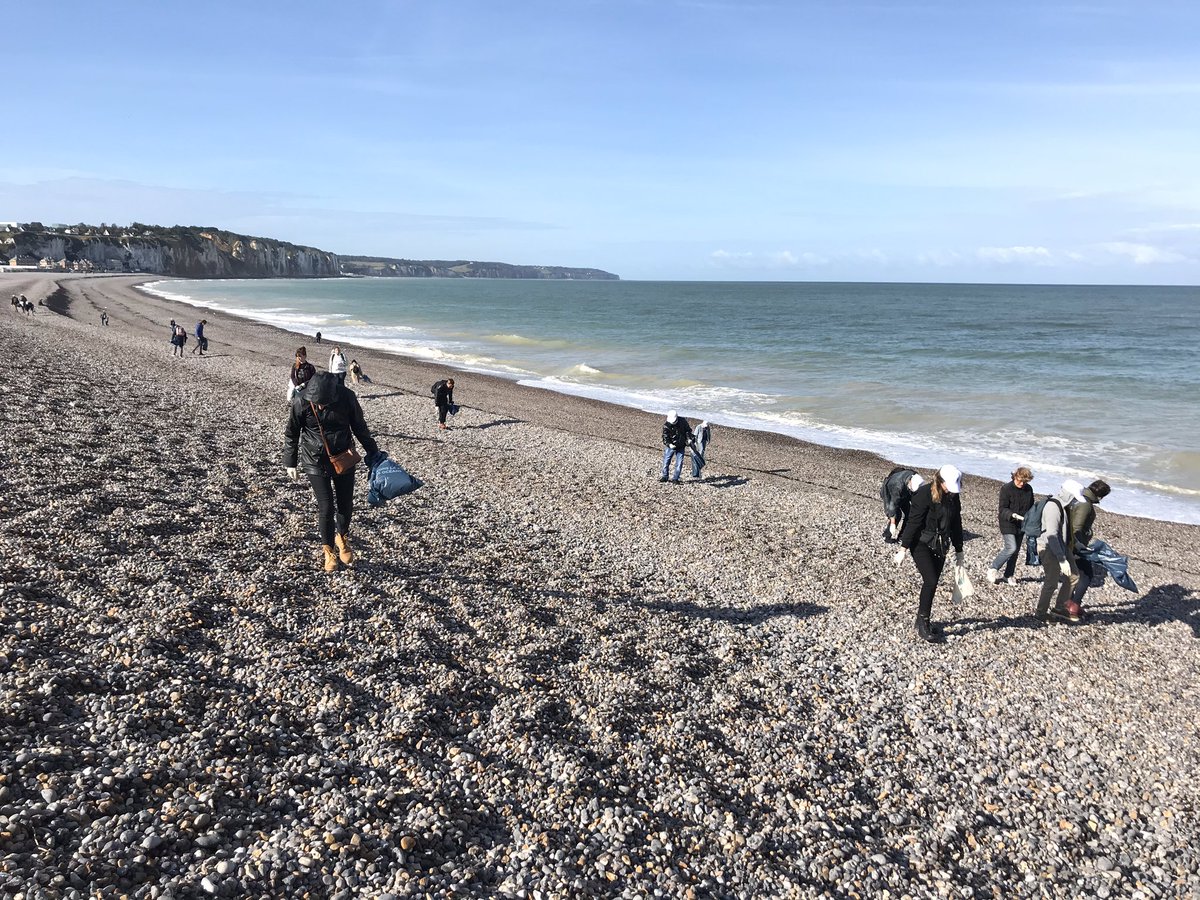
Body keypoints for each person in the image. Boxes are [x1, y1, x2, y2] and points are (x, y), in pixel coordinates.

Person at [284, 372, 379, 572]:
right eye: (316, 402)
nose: (319, 406)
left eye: (323, 403)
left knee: (346, 504)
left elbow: (360, 427)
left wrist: (374, 453)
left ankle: (342, 537)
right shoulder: (301, 401)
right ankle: (328, 551)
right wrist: (290, 462)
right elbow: (292, 433)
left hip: (343, 457)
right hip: (314, 461)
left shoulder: (347, 397)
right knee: (326, 508)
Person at [898, 464, 964, 643]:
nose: (950, 491)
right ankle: (924, 623)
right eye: (947, 487)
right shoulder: (924, 494)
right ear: (939, 481)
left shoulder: (953, 497)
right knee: (931, 580)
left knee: (932, 583)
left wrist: (959, 550)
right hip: (920, 544)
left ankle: (920, 619)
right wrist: (903, 549)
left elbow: (956, 523)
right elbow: (913, 522)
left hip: (940, 545)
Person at [1034, 479, 1087, 624]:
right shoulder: (1053, 507)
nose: (1075, 502)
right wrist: (1062, 559)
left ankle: (1059, 607)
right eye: (1074, 498)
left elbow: (1062, 533)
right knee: (1051, 582)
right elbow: (1051, 535)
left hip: (1062, 547)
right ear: (1068, 494)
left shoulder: (1064, 507)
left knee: (1074, 576)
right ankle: (1040, 612)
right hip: (1048, 548)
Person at [985, 466, 1035, 585]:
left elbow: (1031, 507)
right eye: (1019, 480)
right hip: (1008, 522)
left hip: (1022, 524)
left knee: (1016, 550)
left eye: (1024, 481)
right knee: (1011, 547)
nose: (1021, 483)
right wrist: (1012, 515)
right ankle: (993, 568)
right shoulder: (1006, 489)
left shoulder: (1029, 489)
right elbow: (1002, 509)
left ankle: (1008, 575)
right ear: (1015, 476)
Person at [1069, 479, 1112, 613]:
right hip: (1075, 545)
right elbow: (1076, 527)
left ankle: (1067, 602)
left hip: (1067, 542)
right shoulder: (1085, 504)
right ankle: (1074, 606)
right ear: (1100, 495)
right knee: (1086, 575)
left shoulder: (1077, 498)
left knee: (1072, 574)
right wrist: (1081, 548)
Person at [880, 467, 924, 543]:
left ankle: (902, 538)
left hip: (904, 493)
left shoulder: (915, 477)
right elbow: (892, 505)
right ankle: (887, 536)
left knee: (910, 514)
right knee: (897, 515)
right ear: (910, 482)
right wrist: (893, 523)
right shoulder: (897, 485)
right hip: (889, 493)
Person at [660, 410, 693, 484]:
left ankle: (676, 478)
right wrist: (669, 444)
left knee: (679, 462)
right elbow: (665, 437)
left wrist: (689, 438)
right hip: (671, 446)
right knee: (666, 461)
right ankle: (665, 476)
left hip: (681, 445)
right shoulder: (666, 425)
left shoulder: (683, 421)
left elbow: (688, 430)